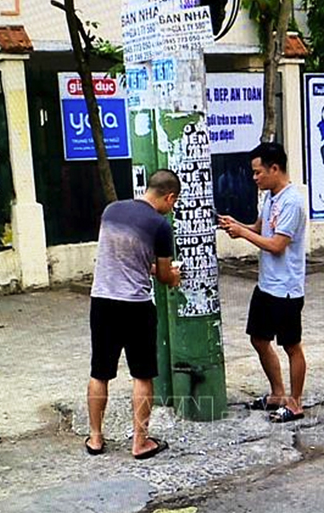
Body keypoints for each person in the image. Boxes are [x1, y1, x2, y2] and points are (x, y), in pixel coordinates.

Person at [86, 169, 182, 459]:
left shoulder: (112, 211)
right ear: (169, 197)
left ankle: (95, 438)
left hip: (102, 300)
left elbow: (124, 260)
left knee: (99, 371)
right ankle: (140, 442)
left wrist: (152, 268)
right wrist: (173, 276)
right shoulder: (160, 226)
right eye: (173, 203)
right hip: (136, 305)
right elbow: (164, 276)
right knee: (142, 375)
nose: (172, 208)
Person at [219, 142, 307, 423]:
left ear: (275, 168)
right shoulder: (270, 196)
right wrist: (239, 226)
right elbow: (261, 228)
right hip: (266, 284)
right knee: (258, 338)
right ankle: (277, 394)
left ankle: (295, 403)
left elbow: (277, 244)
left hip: (287, 289)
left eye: (258, 173)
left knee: (291, 346)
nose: (255, 178)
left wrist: (243, 235)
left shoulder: (292, 201)